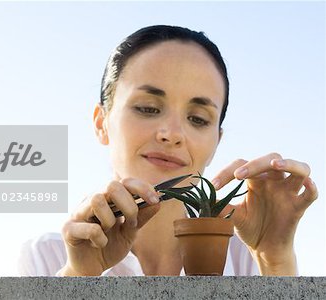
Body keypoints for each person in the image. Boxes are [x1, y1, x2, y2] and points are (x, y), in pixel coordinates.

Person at [18, 25, 318, 276]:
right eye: (148, 108)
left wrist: (275, 260)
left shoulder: (249, 261)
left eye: (198, 119)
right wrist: (78, 278)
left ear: (217, 141)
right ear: (101, 123)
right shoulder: (47, 257)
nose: (172, 134)